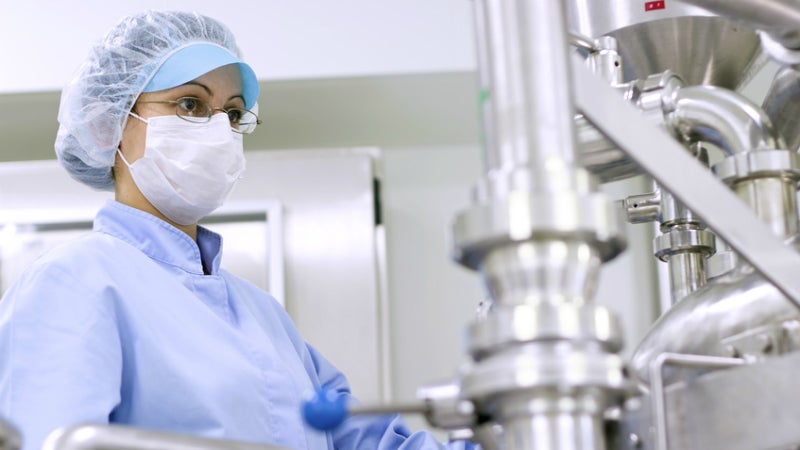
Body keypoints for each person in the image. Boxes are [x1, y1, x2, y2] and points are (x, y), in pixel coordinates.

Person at [0, 11, 477, 450]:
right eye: (190, 104)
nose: (216, 131)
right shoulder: (74, 282)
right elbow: (52, 439)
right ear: (112, 125)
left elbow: (367, 441)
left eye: (231, 113)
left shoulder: (263, 315)